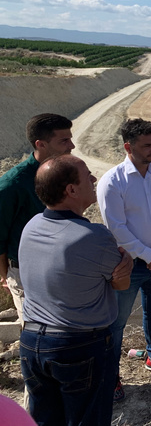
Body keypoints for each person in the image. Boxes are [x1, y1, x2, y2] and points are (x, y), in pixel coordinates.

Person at [18, 155, 133, 425]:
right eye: (88, 175)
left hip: (32, 343)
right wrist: (125, 263)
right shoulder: (93, 236)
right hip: (78, 345)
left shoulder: (31, 226)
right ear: (71, 190)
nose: (94, 179)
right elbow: (122, 284)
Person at [97, 118, 151, 402]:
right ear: (128, 146)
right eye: (147, 145)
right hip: (128, 266)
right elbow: (116, 228)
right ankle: (110, 377)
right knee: (116, 323)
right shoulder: (113, 181)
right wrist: (149, 256)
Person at [0, 113, 74, 324]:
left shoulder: (66, 173)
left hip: (62, 267)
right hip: (26, 273)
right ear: (41, 144)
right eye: (64, 140)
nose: (72, 145)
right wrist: (8, 276)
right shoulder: (13, 185)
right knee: (35, 333)